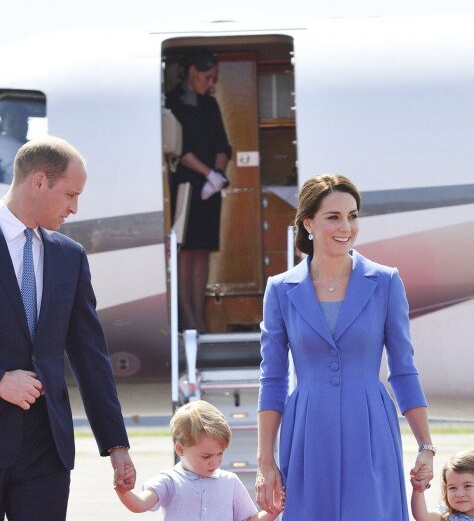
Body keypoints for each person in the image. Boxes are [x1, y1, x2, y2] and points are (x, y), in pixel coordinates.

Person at [256, 173, 434, 520]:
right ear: (308, 223)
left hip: (370, 427)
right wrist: (266, 461)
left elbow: (403, 370)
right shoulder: (280, 289)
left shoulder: (385, 282)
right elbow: (273, 379)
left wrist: (425, 445)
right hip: (308, 429)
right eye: (334, 217)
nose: (346, 226)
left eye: (353, 216)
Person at [0, 137, 135, 520]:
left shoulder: (69, 256)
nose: (75, 208)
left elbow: (91, 356)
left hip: (47, 447)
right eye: (70, 195)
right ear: (39, 182)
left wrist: (116, 446)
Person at [116, 400, 284, 520]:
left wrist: (273, 511)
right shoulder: (169, 481)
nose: (215, 462)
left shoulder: (230, 482)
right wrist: (123, 491)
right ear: (181, 449)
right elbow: (139, 504)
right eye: (206, 456)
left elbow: (250, 520)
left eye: (220, 453)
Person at [165, 50, 232, 333]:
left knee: (202, 251)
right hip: (185, 186)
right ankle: (187, 317)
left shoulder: (210, 104)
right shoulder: (172, 102)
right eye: (207, 77)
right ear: (191, 70)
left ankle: (199, 316)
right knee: (185, 251)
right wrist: (208, 174)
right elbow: (178, 149)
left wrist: (216, 176)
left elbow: (223, 145)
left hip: (209, 188)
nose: (210, 83)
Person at [0, 104, 29, 184]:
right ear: (3, 125)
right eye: (12, 122)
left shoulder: (37, 150)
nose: (17, 127)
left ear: (27, 125)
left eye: (21, 123)